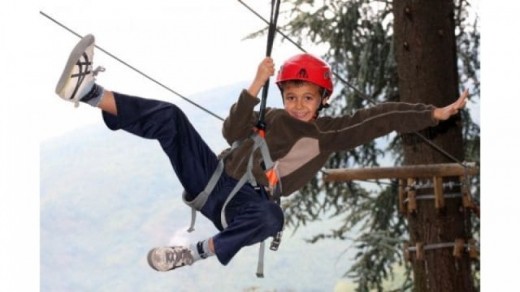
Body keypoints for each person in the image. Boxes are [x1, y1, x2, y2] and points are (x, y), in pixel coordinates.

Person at [55, 34, 468, 272]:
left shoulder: (328, 133)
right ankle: (90, 93)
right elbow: (231, 130)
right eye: (292, 96)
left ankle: (194, 252)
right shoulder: (270, 114)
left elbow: (381, 118)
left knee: (273, 216)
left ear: (324, 99)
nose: (299, 105)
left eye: (308, 97)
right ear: (283, 95)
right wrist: (256, 84)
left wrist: (431, 113)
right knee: (171, 117)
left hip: (246, 207)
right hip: (211, 179)